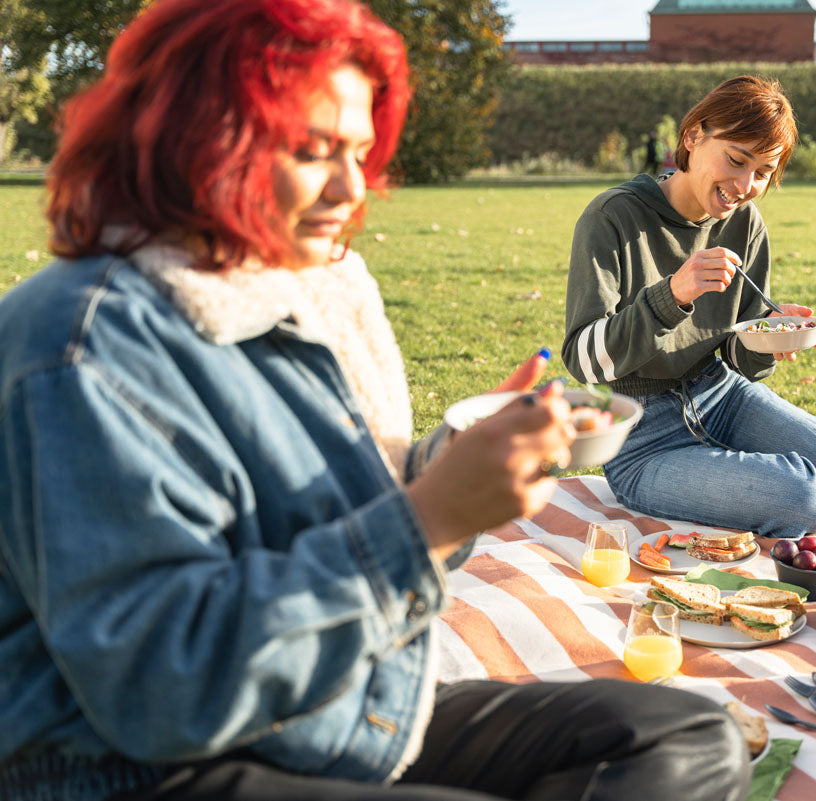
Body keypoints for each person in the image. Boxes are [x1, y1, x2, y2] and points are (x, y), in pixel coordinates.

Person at [0, 2, 750, 800]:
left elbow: (323, 518)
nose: (352, 187)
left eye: (358, 151)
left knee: (690, 738)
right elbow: (166, 690)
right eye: (314, 150)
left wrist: (448, 465)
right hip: (142, 768)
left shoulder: (285, 293)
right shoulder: (82, 350)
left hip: (333, 708)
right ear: (195, 137)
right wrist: (429, 518)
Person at [562, 75, 816, 538]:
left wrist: (768, 338)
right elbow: (585, 361)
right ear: (694, 136)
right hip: (642, 441)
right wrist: (672, 295)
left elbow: (739, 359)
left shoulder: (746, 224)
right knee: (805, 500)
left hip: (723, 397)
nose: (744, 185)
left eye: (762, 172)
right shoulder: (611, 216)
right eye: (736, 160)